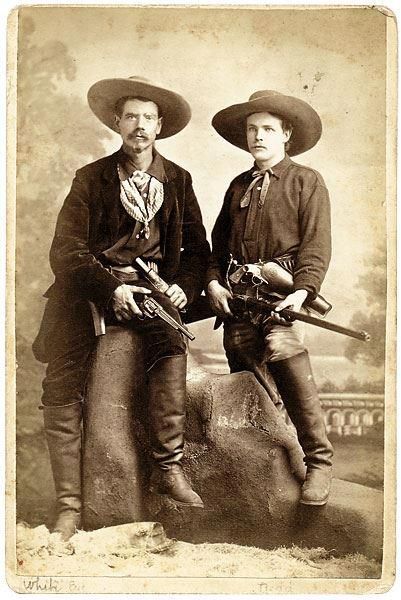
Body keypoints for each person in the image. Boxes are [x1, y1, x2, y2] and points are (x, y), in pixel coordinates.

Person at [33, 75, 210, 540]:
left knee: (171, 342)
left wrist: (181, 290)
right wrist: (110, 288)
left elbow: (197, 251)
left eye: (148, 118)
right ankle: (70, 504)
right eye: (131, 116)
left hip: (153, 293)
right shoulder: (90, 179)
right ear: (117, 122)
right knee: (61, 380)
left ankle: (168, 468)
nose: (139, 126)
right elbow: (65, 251)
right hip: (92, 293)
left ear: (160, 127)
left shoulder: (178, 180)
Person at [206, 89, 333, 506]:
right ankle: (280, 461)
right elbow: (217, 247)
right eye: (251, 129)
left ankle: (319, 462)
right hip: (240, 301)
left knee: (283, 350)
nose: (258, 136)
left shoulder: (305, 181)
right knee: (248, 371)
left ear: (286, 135)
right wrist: (212, 282)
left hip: (282, 299)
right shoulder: (238, 185)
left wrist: (300, 291)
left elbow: (315, 245)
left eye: (267, 129)